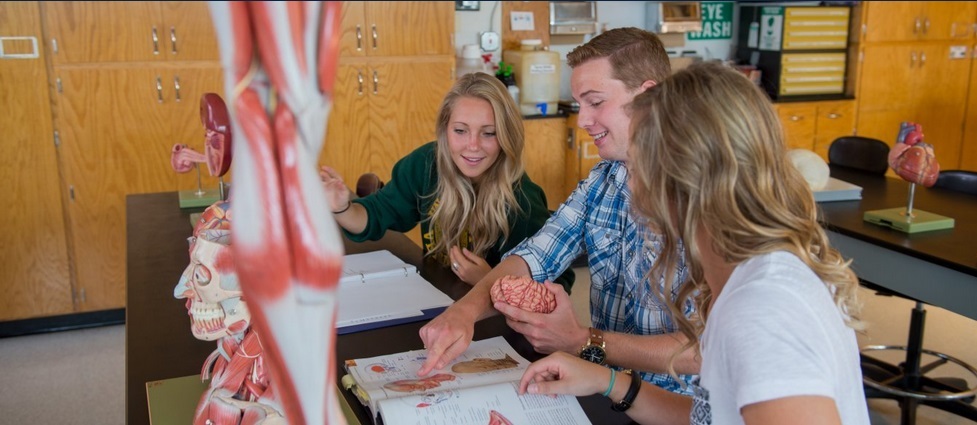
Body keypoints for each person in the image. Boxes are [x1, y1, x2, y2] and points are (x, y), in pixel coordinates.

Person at [517, 61, 870, 424]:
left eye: (636, 166)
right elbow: (711, 417)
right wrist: (609, 382)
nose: (629, 183)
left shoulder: (763, 311)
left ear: (680, 180)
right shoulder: (744, 275)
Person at [418, 27, 698, 395]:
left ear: (646, 97)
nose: (582, 120)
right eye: (580, 104)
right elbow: (534, 257)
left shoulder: (702, 195)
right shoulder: (602, 181)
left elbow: (705, 351)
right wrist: (463, 313)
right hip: (607, 386)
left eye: (595, 102)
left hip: (682, 407)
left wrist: (584, 340)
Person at [321, 72, 573, 288]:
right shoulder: (426, 164)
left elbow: (557, 284)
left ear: (507, 136)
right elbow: (377, 214)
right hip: (441, 296)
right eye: (460, 131)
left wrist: (490, 281)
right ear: (445, 129)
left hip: (498, 324)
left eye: (489, 133)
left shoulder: (522, 201)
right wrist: (342, 207)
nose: (472, 146)